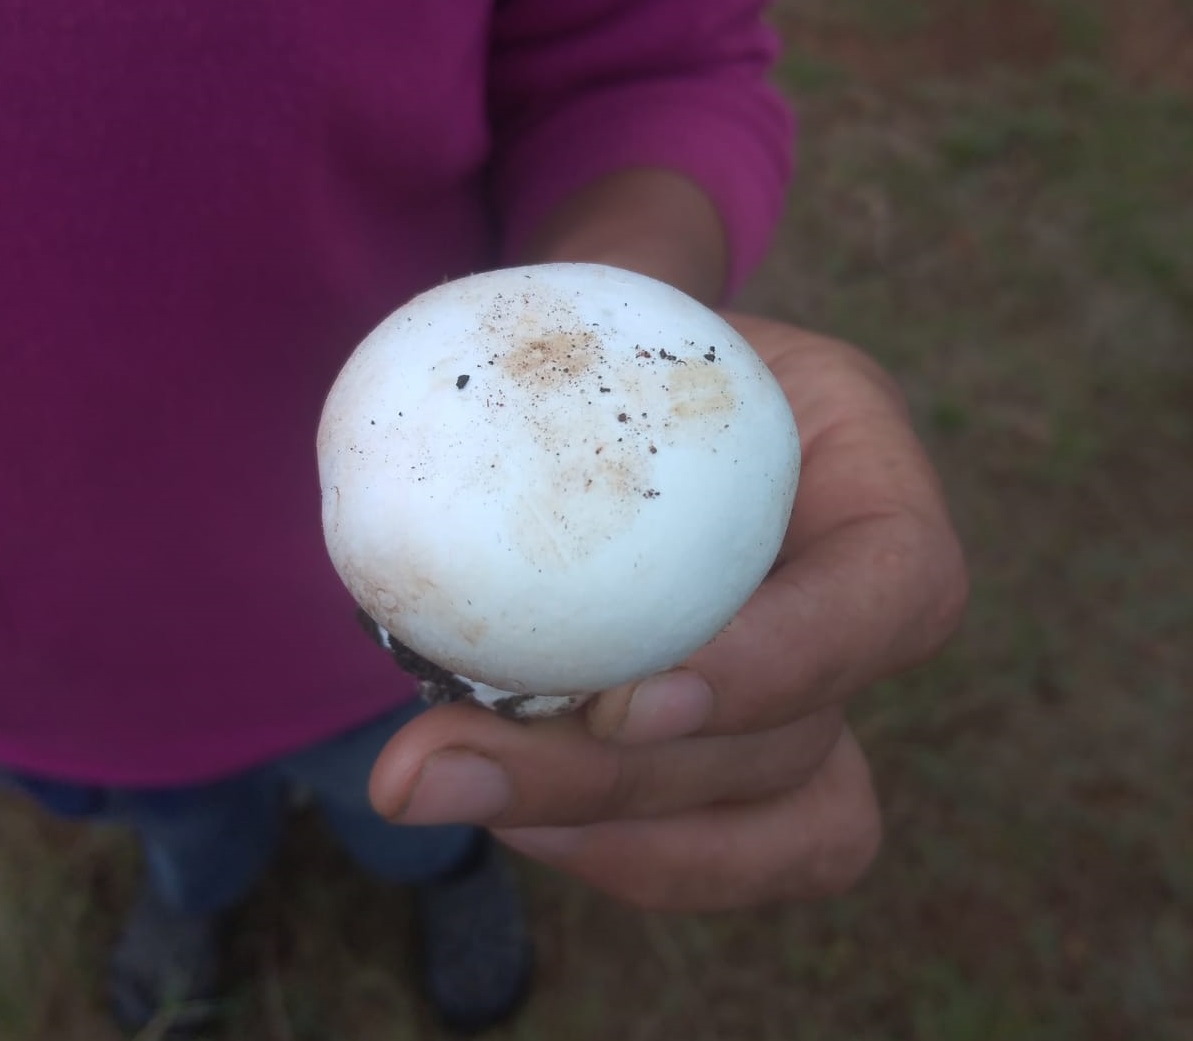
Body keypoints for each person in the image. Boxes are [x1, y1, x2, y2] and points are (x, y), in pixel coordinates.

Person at [0, 0, 967, 1037]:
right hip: (50, 665)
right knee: (184, 827)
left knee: (417, 801)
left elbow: (637, 63)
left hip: (384, 664)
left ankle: (440, 867)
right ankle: (198, 898)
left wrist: (612, 302)